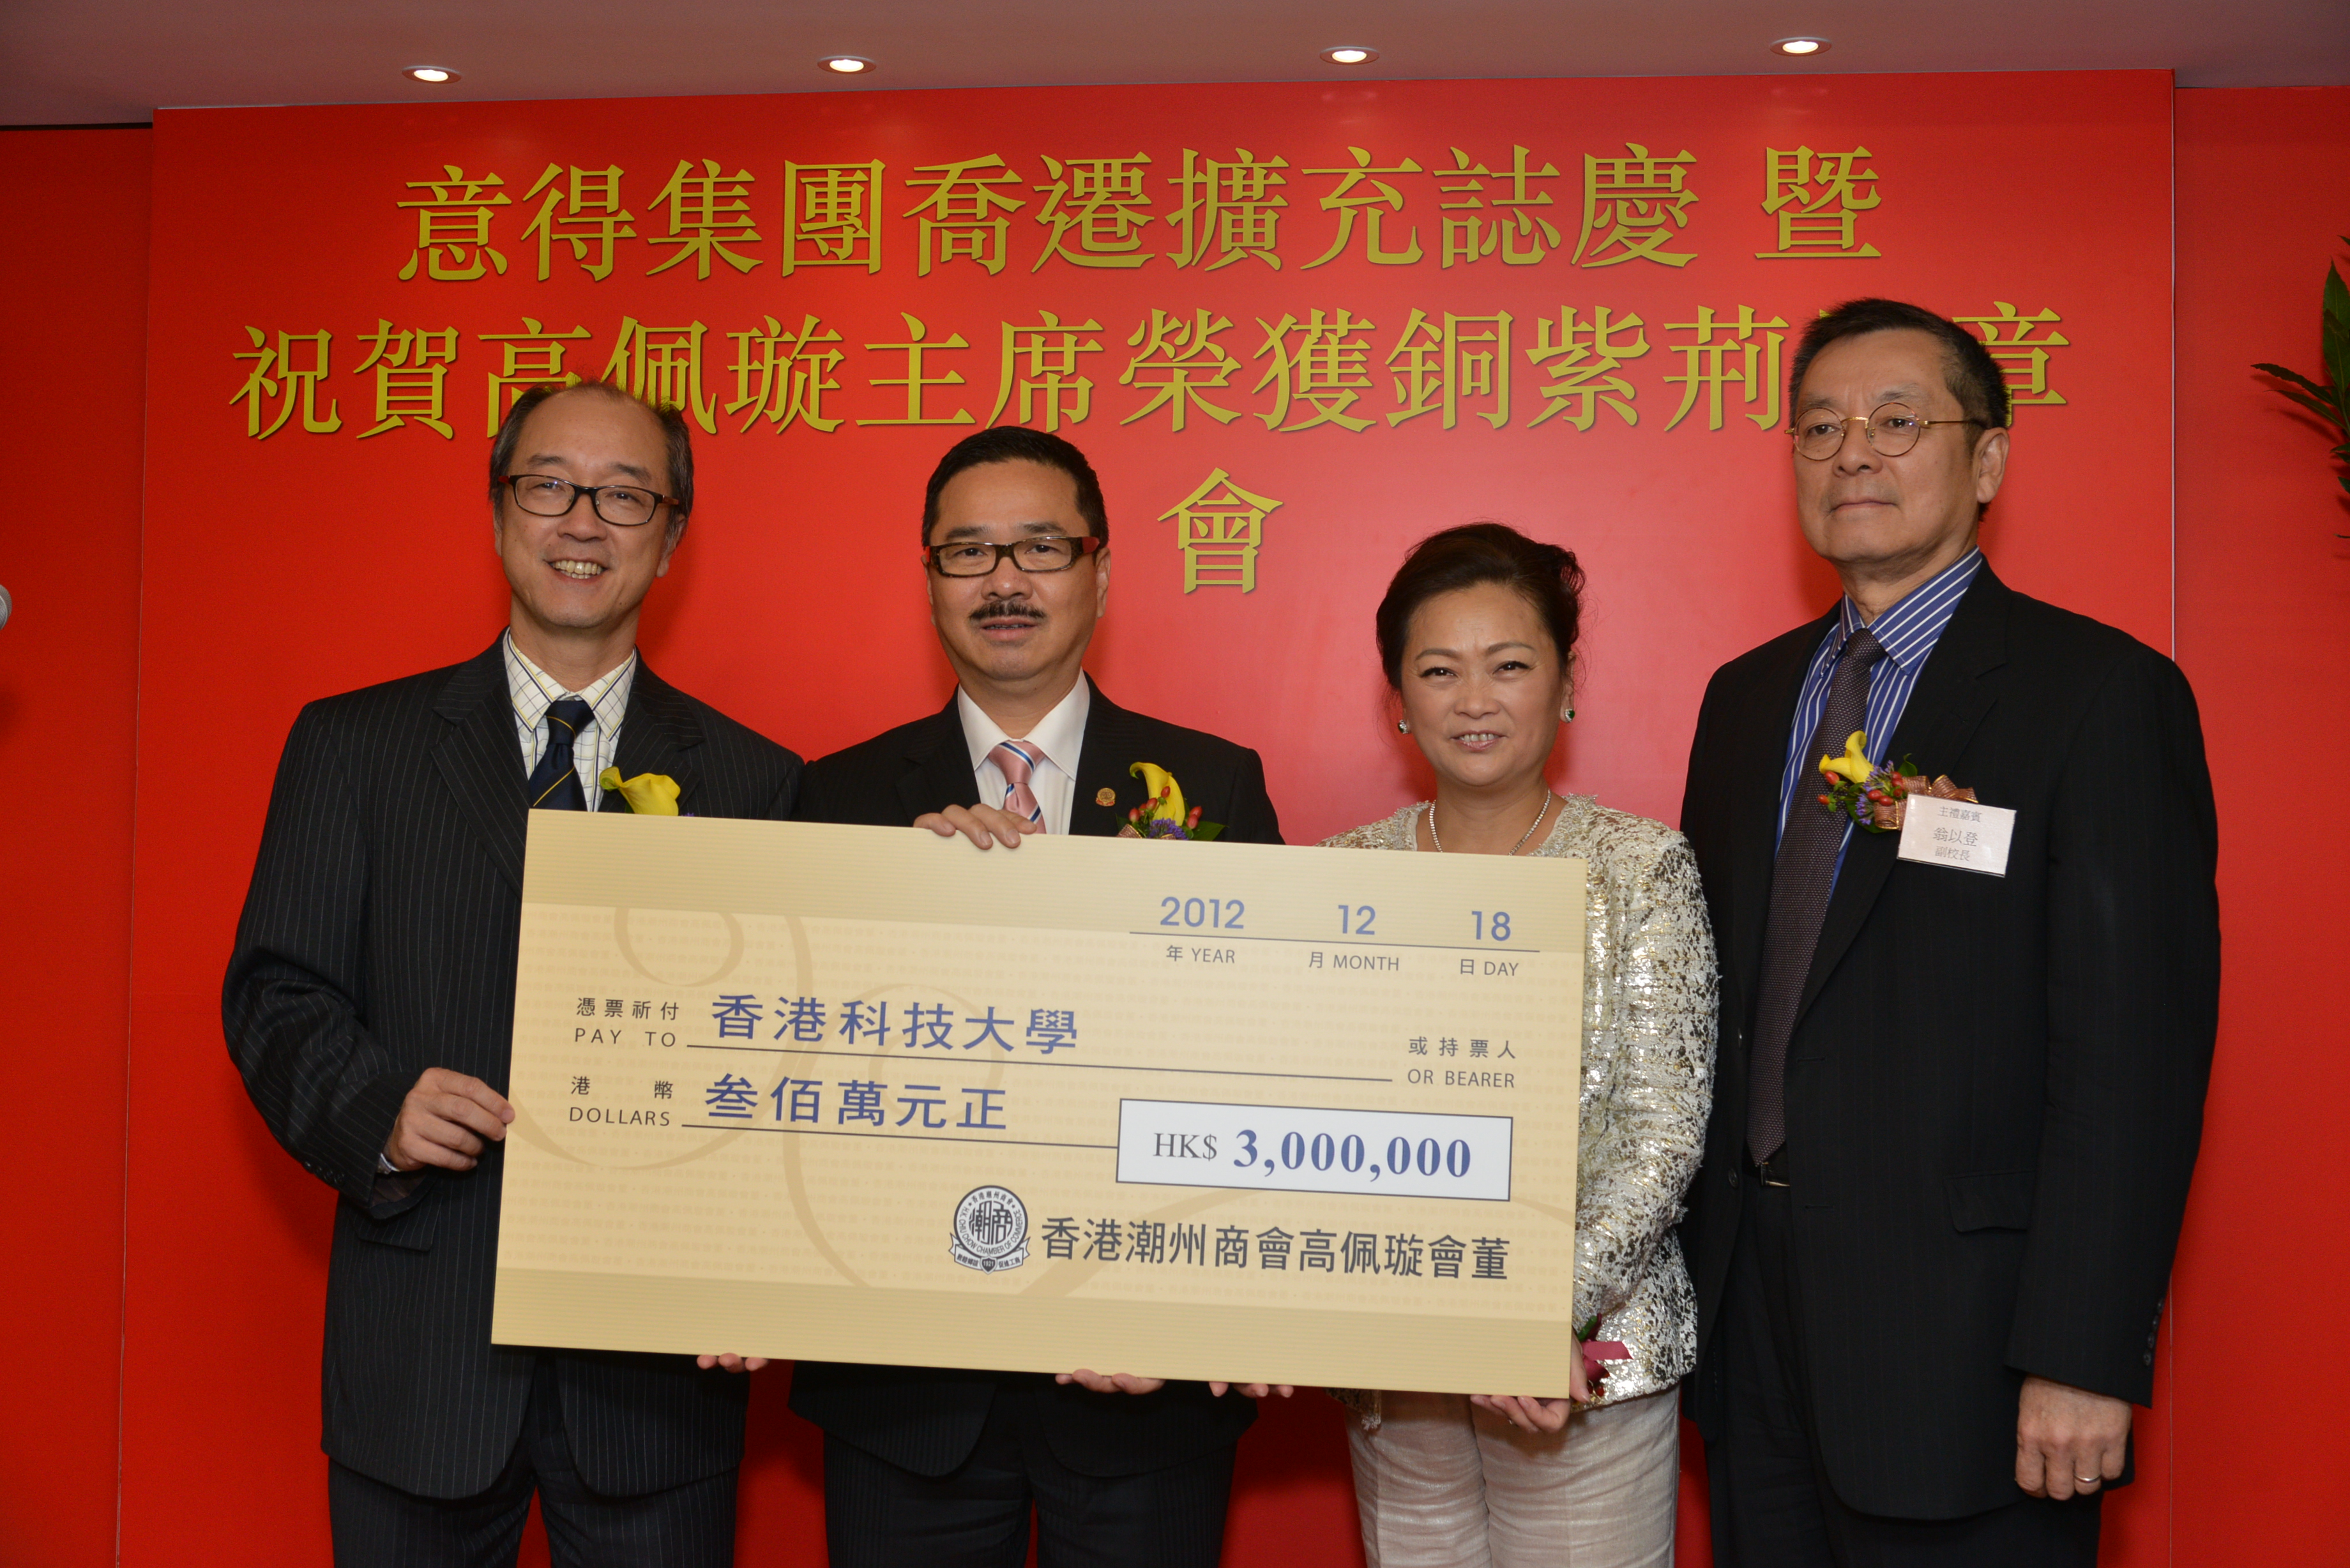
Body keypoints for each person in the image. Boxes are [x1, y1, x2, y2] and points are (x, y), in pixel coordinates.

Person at [1676, 298, 2219, 1565]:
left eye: (1895, 420)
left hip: (1972, 1347)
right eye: (1820, 427)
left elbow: (2132, 1057)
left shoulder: (2097, 694)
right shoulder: (1747, 700)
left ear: (1988, 460)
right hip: (1755, 1328)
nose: (1852, 452)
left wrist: (2083, 1353)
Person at [224, 382, 802, 1567]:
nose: (582, 521)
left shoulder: (757, 781)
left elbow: (786, 1054)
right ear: (497, 514)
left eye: (625, 496)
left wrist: (760, 1268)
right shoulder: (355, 746)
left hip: (656, 1382)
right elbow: (276, 992)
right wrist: (378, 1110)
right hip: (424, 1356)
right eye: (549, 486)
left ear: (672, 538)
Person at [788, 425, 1284, 1567]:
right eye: (969, 552)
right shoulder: (838, 797)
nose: (1004, 580)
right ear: (930, 580)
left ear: (1099, 572)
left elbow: (1258, 1064)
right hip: (903, 1388)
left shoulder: (1212, 783)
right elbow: (798, 1075)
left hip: (1141, 1385)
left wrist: (1191, 1304)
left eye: (1041, 547)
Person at [1322, 523, 1717, 1568]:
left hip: (1579, 1360)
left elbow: (1660, 1135)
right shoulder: (1341, 875)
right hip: (1397, 1357)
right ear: (1397, 698)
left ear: (1567, 680)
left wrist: (1537, 1312)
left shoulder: (1641, 867)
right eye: (1438, 671)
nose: (1474, 700)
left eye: (1509, 666)